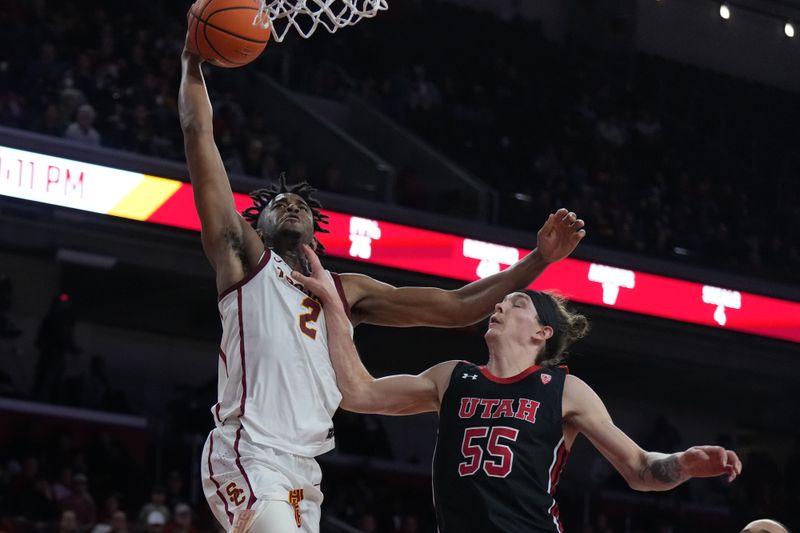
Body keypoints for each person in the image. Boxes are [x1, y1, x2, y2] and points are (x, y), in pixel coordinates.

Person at [179, 24, 586, 533]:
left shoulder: (348, 292)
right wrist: (193, 63)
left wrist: (538, 260)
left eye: (300, 202)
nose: (289, 204)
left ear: (315, 226)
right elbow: (200, 140)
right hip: (247, 450)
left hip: (304, 469)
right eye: (277, 203)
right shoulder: (243, 261)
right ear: (254, 225)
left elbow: (458, 307)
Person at [294, 246, 743, 533]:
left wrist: (682, 463)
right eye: (501, 300)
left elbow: (640, 469)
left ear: (542, 332)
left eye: (517, 302)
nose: (501, 306)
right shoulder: (452, 376)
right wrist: (335, 308)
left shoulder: (564, 390)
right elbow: (358, 393)